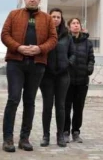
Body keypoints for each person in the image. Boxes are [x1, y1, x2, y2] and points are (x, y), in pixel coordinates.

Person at [0, 0, 57, 152]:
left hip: (37, 63)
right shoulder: (13, 14)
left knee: (29, 101)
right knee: (13, 99)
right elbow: (5, 35)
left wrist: (40, 49)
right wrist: (18, 47)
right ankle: (8, 139)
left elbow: (53, 39)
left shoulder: (47, 18)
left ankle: (24, 138)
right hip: (15, 62)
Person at [39, 8, 75, 148]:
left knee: (61, 106)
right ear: (49, 18)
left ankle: (60, 135)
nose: (55, 19)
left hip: (63, 76)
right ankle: (45, 136)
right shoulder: (44, 34)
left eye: (58, 17)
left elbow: (73, 53)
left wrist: (68, 64)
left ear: (61, 19)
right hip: (47, 76)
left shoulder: (67, 36)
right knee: (47, 106)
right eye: (53, 16)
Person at [63, 17, 95, 143]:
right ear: (69, 26)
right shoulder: (66, 40)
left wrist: (89, 68)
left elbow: (91, 58)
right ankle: (65, 132)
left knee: (78, 108)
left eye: (78, 23)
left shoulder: (87, 43)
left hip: (82, 81)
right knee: (66, 107)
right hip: (67, 81)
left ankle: (76, 132)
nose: (76, 25)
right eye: (73, 23)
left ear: (80, 26)